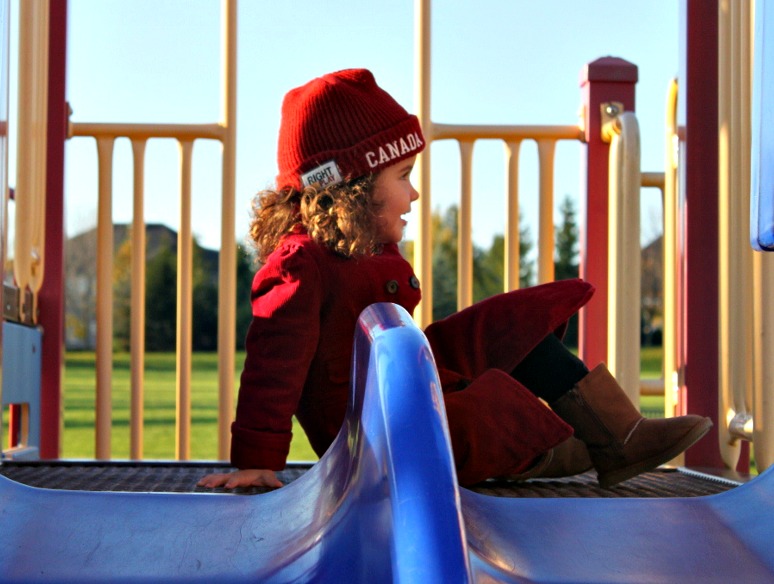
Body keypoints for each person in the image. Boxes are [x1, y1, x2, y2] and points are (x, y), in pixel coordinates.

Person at [198, 68, 711, 491]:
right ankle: (559, 449)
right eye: (402, 177)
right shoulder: (301, 265)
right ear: (351, 188)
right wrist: (256, 460)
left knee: (510, 322)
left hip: (413, 387)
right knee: (479, 417)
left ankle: (620, 432)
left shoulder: (362, 248)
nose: (415, 194)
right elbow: (272, 367)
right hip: (381, 435)